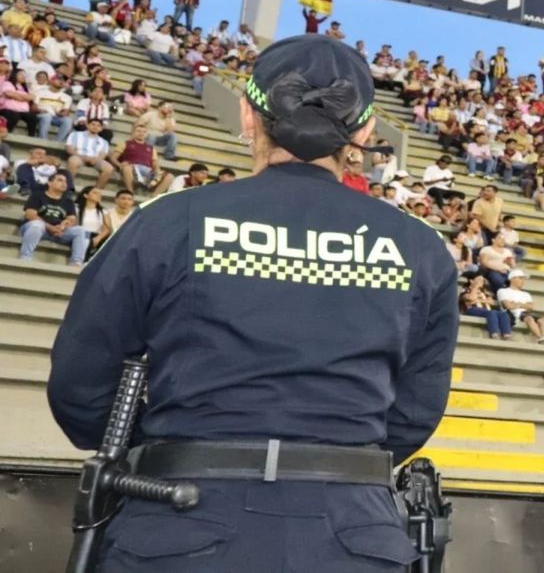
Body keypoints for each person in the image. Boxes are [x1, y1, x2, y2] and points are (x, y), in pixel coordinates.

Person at [46, 34, 459, 572]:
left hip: (178, 524)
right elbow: (414, 412)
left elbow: (80, 385)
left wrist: (176, 452)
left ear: (247, 114)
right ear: (363, 131)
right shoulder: (421, 247)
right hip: (355, 536)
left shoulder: (169, 221)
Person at [19, 170, 89, 265]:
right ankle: (25, 257)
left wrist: (63, 226)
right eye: (60, 180)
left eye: (65, 181)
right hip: (38, 230)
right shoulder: (37, 195)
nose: (64, 183)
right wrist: (50, 227)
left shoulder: (68, 201)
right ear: (50, 183)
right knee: (37, 225)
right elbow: (30, 215)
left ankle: (76, 262)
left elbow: (72, 219)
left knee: (81, 230)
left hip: (58, 232)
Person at [496, 269, 544, 344]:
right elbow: (508, 305)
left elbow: (531, 306)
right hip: (513, 314)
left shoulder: (526, 294)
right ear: (512, 279)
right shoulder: (503, 291)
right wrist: (523, 305)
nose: (523, 281)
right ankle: (541, 338)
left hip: (525, 313)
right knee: (529, 319)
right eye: (520, 278)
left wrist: (516, 304)